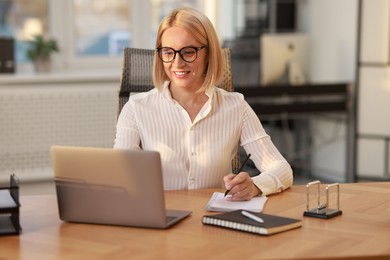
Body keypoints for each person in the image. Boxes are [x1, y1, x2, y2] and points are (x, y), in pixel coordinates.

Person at [114, 7, 293, 201]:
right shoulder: (136, 108)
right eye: (168, 52)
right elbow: (119, 175)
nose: (177, 63)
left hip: (213, 222)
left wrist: (255, 186)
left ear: (209, 54)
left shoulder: (236, 106)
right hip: (162, 220)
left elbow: (281, 169)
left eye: (188, 52)